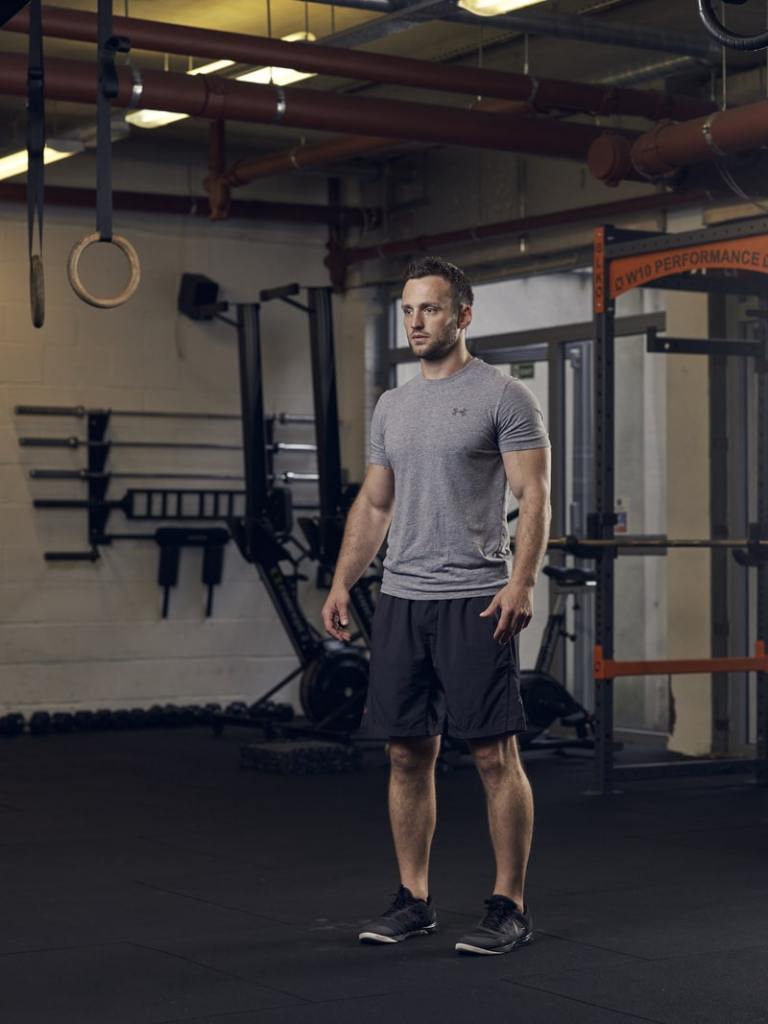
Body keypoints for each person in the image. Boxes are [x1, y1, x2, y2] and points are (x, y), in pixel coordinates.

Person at [321, 256, 551, 956]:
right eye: (409, 311)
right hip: (402, 599)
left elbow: (534, 495)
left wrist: (522, 580)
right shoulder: (393, 404)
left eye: (430, 309)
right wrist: (341, 580)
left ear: (463, 315)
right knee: (404, 754)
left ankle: (509, 904)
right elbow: (376, 502)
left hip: (474, 600)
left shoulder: (503, 396)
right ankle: (413, 898)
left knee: (491, 755)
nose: (417, 322)